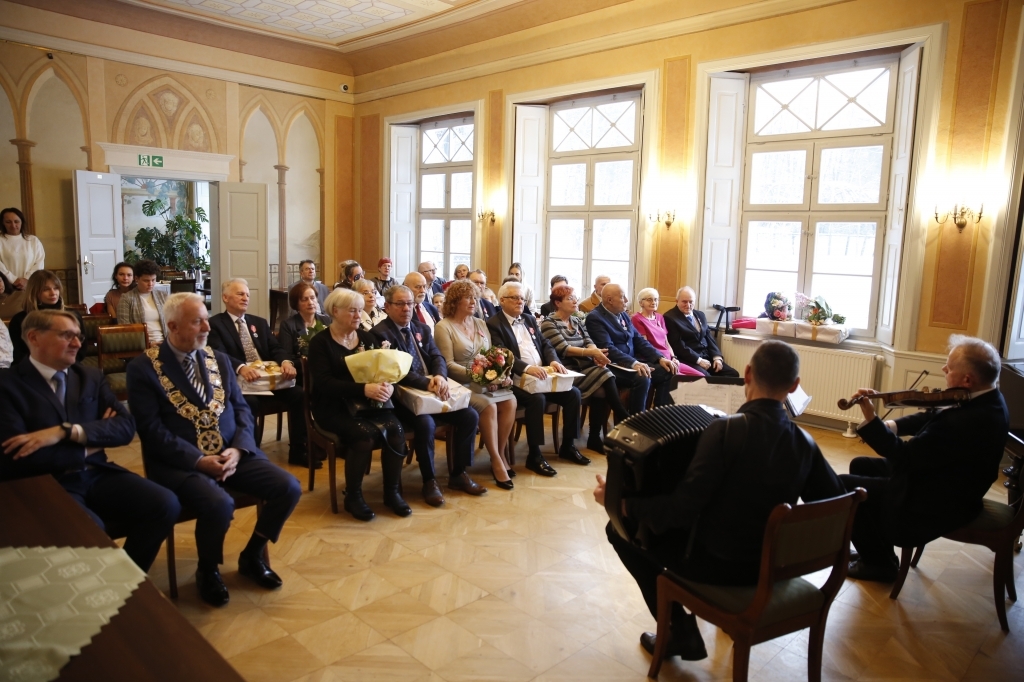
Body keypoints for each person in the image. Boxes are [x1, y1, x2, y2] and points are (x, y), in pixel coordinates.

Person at [595, 340, 844, 661]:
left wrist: (621, 504)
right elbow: (837, 502)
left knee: (619, 530)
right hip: (772, 566)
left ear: (748, 374)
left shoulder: (725, 431)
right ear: (795, 385)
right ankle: (680, 630)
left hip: (720, 567)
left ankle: (679, 632)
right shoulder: (804, 442)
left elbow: (681, 511)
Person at [127, 293, 301, 607]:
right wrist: (199, 460)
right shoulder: (144, 368)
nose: (207, 327)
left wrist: (240, 449)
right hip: (180, 463)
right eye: (198, 322)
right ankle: (207, 570)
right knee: (219, 504)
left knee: (288, 486)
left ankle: (252, 555)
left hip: (233, 453)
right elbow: (151, 430)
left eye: (206, 319)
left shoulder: (218, 359)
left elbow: (242, 409)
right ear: (173, 326)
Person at [1, 309, 181, 572]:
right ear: (34, 337)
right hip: (46, 483)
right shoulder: (7, 385)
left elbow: (125, 428)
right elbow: (17, 455)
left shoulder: (90, 377)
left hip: (98, 474)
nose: (77, 343)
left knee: (165, 504)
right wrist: (88, 445)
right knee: (89, 528)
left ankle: (126, 578)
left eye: (79, 336)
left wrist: (65, 432)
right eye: (66, 335)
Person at [840, 335, 1010, 582]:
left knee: (848, 486)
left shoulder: (967, 422)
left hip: (938, 500)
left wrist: (872, 420)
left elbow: (905, 457)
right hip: (945, 478)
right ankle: (877, 551)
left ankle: (880, 566)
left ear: (967, 379)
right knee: (861, 465)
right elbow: (932, 416)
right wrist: (889, 426)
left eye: (949, 367)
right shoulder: (986, 397)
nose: (943, 369)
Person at [372, 285, 485, 504]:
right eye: (400, 304)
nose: (406, 308)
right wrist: (427, 382)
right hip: (403, 399)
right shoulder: (379, 334)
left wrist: (440, 377)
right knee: (426, 424)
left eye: (410, 303)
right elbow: (395, 372)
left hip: (434, 390)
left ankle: (458, 473)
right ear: (387, 306)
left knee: (470, 415)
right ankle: (429, 480)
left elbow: (437, 357)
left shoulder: (421, 328)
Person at [307, 288, 410, 521]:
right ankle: (353, 496)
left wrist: (387, 386)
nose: (358, 315)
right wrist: (363, 389)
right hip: (333, 407)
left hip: (367, 404)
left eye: (360, 310)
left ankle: (392, 492)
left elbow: (381, 371)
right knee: (364, 435)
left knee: (396, 431)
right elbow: (324, 383)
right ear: (335, 311)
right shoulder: (320, 343)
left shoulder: (366, 338)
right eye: (352, 310)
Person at [207, 279, 310, 469]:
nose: (245, 298)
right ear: (225, 298)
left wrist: (286, 362)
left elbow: (276, 348)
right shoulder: (215, 324)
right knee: (250, 403)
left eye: (247, 294)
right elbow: (218, 353)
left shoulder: (259, 323)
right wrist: (241, 367)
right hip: (241, 382)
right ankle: (251, 454)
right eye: (240, 294)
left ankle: (298, 449)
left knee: (299, 394)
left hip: (267, 380)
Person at [488, 281, 587, 473]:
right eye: (515, 298)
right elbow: (502, 354)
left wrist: (553, 361)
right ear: (502, 300)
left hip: (542, 376)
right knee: (537, 399)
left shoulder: (529, 319)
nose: (520, 301)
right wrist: (527, 368)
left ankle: (568, 446)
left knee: (573, 394)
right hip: (514, 379)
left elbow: (546, 344)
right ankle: (534, 455)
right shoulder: (494, 324)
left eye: (522, 298)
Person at [434, 280, 517, 489]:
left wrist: (499, 375)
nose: (473, 302)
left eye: (475, 297)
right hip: (460, 383)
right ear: (455, 301)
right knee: (489, 406)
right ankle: (496, 460)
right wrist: (480, 377)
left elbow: (491, 355)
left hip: (484, 379)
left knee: (510, 401)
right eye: (468, 298)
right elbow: (447, 364)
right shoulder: (444, 327)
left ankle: (499, 453)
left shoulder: (480, 323)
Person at [541, 283, 630, 454]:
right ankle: (622, 416)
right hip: (566, 370)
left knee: (602, 388)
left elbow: (589, 340)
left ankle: (594, 437)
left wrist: (596, 353)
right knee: (605, 375)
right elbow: (564, 348)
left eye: (575, 297)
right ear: (558, 303)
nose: (575, 301)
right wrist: (592, 353)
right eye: (570, 298)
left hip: (585, 367)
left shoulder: (575, 321)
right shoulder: (549, 323)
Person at [586, 283, 677, 414]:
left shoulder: (622, 314)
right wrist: (634, 363)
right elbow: (608, 348)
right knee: (642, 377)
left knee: (668, 370)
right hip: (612, 365)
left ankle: (659, 415)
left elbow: (639, 340)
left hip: (631, 362)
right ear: (610, 300)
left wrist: (660, 358)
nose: (627, 300)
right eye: (622, 297)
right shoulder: (595, 317)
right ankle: (635, 421)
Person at [9, 270, 85, 365]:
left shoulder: (73, 315)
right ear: (34, 292)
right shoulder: (20, 319)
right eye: (46, 289)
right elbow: (18, 354)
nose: (53, 293)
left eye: (56, 288)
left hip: (68, 365)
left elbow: (81, 349)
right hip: (32, 369)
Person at [664, 286, 739, 378]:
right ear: (677, 301)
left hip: (708, 357)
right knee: (706, 378)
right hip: (689, 359)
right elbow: (677, 346)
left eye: (691, 302)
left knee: (733, 374)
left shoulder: (700, 314)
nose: (688, 305)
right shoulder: (669, 317)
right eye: (684, 302)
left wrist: (717, 357)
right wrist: (699, 360)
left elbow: (709, 337)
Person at [631, 288, 704, 378]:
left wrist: (673, 357)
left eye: (656, 299)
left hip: (669, 359)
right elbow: (645, 345)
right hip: (656, 360)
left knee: (701, 377)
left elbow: (666, 342)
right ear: (641, 303)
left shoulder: (659, 317)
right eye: (649, 299)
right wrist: (660, 359)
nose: (653, 302)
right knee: (684, 380)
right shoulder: (637, 318)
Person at [277, 281, 331, 370]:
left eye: (312, 298)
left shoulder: (327, 321)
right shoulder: (288, 325)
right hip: (301, 372)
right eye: (304, 299)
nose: (310, 302)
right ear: (296, 303)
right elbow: (288, 357)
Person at [117, 259, 168, 348]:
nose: (150, 284)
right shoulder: (126, 299)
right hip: (141, 346)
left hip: (166, 343)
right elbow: (125, 330)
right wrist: (148, 345)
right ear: (137, 279)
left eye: (153, 280)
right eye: (146, 280)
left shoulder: (163, 296)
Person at [0, 207, 45, 303]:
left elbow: (39, 262)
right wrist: (13, 280)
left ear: (22, 222)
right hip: (6, 286)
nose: (13, 225)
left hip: (30, 285)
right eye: (8, 222)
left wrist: (26, 279)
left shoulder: (33, 240)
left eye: (16, 221)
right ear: (3, 223)